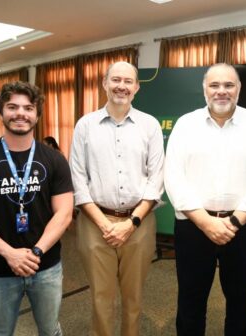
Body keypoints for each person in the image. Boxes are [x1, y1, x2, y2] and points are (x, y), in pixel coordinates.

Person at [164, 63, 246, 336]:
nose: (221, 91)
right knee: (190, 302)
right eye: (214, 85)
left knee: (241, 305)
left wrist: (234, 222)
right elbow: (173, 177)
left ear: (239, 89)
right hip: (193, 226)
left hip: (243, 228)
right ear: (204, 89)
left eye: (228, 85)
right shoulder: (185, 124)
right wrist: (206, 223)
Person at [0, 81, 74, 336]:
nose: (20, 113)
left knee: (50, 331)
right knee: (0, 333)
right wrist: (10, 254)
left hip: (46, 266)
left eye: (28, 108)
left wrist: (35, 251)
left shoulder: (55, 160)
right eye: (12, 107)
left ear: (37, 114)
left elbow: (64, 213)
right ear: (1, 111)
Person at [69, 61, 164, 336]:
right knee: (101, 298)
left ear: (136, 87)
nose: (121, 86)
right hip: (94, 223)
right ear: (104, 83)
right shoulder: (85, 125)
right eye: (115, 80)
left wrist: (130, 223)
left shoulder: (150, 125)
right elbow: (78, 178)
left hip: (140, 223)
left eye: (128, 81)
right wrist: (104, 224)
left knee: (134, 298)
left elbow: (155, 179)